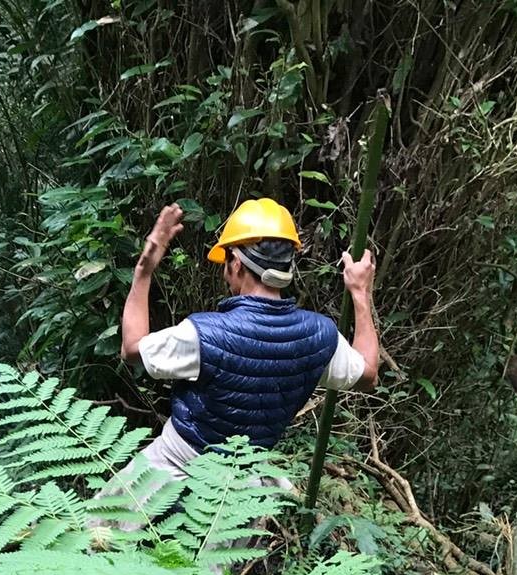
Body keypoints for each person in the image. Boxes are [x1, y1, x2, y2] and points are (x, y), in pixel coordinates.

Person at [103, 198, 378, 524]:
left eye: (226, 261)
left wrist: (144, 269)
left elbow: (132, 349)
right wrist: (361, 294)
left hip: (175, 463)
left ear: (235, 262)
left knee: (96, 537)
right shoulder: (320, 335)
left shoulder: (204, 333)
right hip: (241, 489)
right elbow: (367, 372)